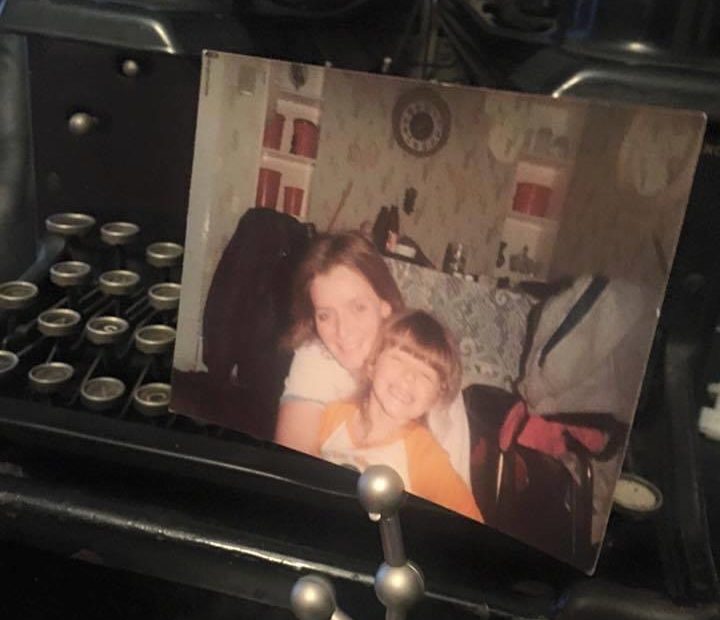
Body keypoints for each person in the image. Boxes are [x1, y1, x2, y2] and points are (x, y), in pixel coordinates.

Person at [275, 230, 471, 484]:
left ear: (385, 305)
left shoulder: (430, 373)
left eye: (358, 307)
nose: (342, 331)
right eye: (325, 315)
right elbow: (290, 470)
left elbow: (453, 500)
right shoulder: (317, 356)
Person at [315, 310, 483, 522]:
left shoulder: (425, 456)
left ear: (436, 397)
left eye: (425, 375)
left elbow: (472, 526)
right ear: (373, 363)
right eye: (398, 360)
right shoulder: (332, 416)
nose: (409, 377)